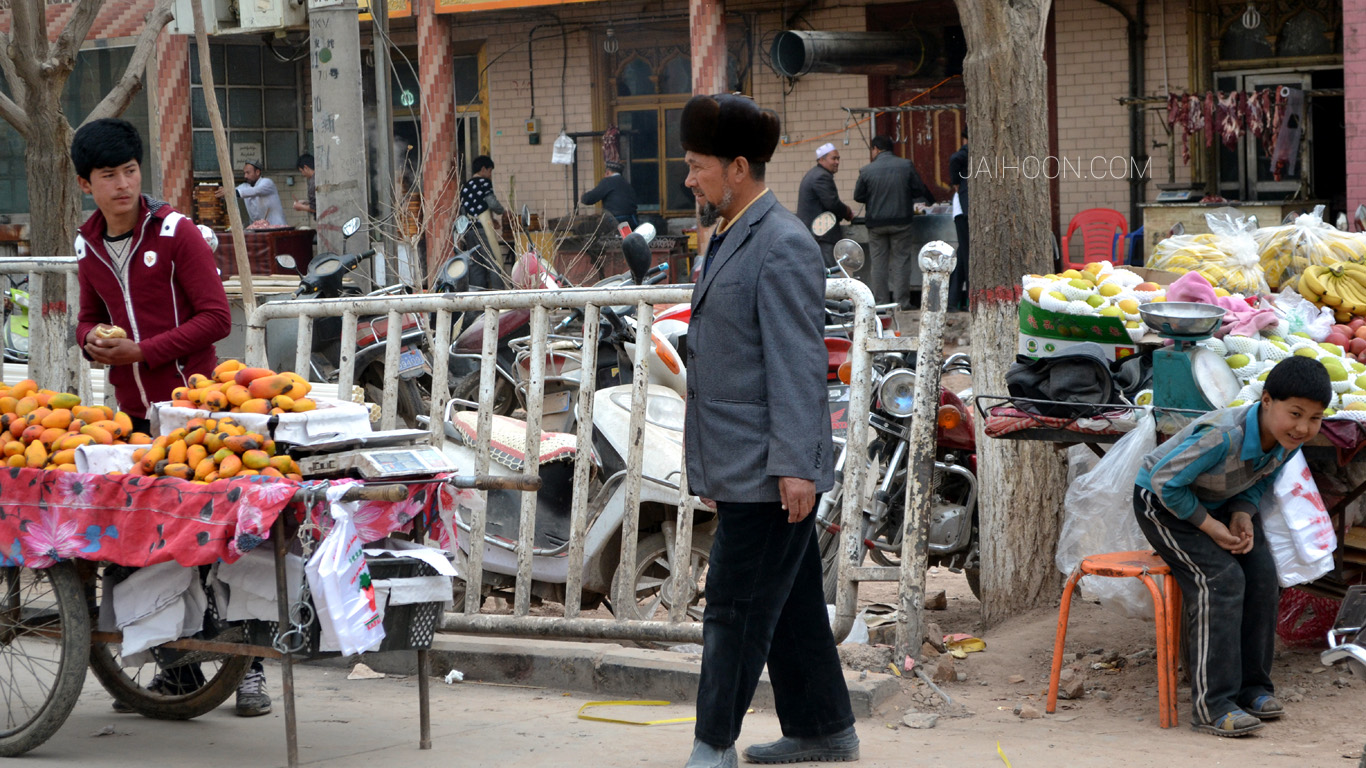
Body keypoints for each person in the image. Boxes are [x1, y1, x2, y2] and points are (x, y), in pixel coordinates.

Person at [71, 118, 271, 718]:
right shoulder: (88, 245)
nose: (123, 185)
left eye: (130, 171)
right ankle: (176, 669)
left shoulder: (178, 234)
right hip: (131, 420)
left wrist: (145, 350)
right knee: (147, 546)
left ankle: (253, 669)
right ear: (87, 184)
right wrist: (93, 342)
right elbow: (85, 317)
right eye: (109, 176)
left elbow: (217, 318)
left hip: (197, 416)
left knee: (223, 546)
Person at [679, 93, 856, 768]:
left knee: (734, 607)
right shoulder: (730, 234)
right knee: (793, 604)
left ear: (740, 166)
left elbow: (797, 367)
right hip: (741, 462)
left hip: (767, 468)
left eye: (698, 166)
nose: (690, 178)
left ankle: (711, 744)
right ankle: (823, 730)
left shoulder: (781, 244)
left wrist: (795, 465)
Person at [1135, 355, 1329, 737]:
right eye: (1295, 413)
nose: (1304, 427)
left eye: (1315, 418)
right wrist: (1209, 527)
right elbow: (1164, 482)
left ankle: (1253, 688)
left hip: (1220, 502)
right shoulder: (1224, 435)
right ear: (1267, 401)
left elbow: (1260, 479)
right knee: (1221, 581)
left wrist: (1242, 512)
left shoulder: (1286, 440)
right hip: (1163, 503)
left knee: (1262, 577)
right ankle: (1213, 704)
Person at [853, 135, 933, 308]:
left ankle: (881, 304)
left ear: (875, 149)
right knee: (901, 261)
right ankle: (901, 303)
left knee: (878, 263)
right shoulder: (905, 165)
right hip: (901, 222)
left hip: (876, 225)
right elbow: (918, 189)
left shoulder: (866, 170)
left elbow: (858, 196)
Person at [796, 142, 854, 268]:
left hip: (817, 235)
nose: (837, 162)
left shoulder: (815, 174)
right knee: (827, 274)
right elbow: (832, 203)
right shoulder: (821, 176)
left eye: (838, 158)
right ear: (821, 159)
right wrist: (847, 212)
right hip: (822, 236)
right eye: (833, 158)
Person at [459, 155, 507, 290]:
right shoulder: (484, 183)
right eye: (490, 171)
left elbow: (464, 209)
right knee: (493, 262)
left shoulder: (466, 186)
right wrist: (503, 212)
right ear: (483, 169)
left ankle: (478, 298)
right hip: (482, 229)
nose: (490, 175)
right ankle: (499, 296)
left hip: (469, 229)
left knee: (476, 264)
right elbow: (491, 202)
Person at [215, 161, 286, 227]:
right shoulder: (245, 186)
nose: (245, 176)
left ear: (257, 172)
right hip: (258, 229)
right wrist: (223, 192)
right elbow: (236, 191)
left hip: (276, 227)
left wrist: (230, 191)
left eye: (248, 173)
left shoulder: (267, 182)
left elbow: (254, 191)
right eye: (244, 173)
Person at [947, 128, 970, 311]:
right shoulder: (969, 151)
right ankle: (970, 299)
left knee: (963, 255)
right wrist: (956, 182)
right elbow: (955, 158)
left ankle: (952, 301)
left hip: (962, 210)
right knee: (968, 255)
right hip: (964, 211)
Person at [580, 160, 638, 230]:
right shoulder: (626, 183)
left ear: (607, 172)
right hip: (631, 221)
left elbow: (589, 199)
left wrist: (583, 197)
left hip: (615, 221)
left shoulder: (607, 181)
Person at [293, 153, 316, 218]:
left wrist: (300, 207)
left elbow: (315, 208)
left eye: (301, 171)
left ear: (306, 168)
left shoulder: (313, 182)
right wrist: (306, 203)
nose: (303, 174)